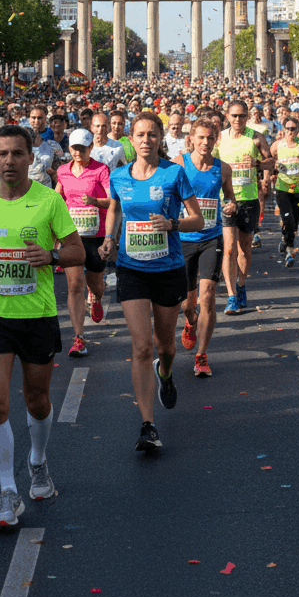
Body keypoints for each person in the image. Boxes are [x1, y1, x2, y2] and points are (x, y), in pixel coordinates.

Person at [0, 125, 84, 527]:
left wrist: (53, 255)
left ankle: (38, 462)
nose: (9, 161)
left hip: (38, 315)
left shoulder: (48, 202)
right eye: (2, 154)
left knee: (37, 401)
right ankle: (8, 491)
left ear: (31, 158)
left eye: (17, 154)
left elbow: (77, 249)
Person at [99, 112, 203, 451]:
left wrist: (172, 225)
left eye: (152, 135)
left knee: (165, 347)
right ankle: (148, 425)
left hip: (168, 268)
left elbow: (197, 219)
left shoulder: (174, 173)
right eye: (140, 134)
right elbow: (114, 209)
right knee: (141, 347)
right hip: (131, 269)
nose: (146, 140)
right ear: (131, 138)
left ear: (160, 139)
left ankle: (167, 372)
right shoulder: (118, 175)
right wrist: (109, 238)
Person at [175, 118, 236, 377]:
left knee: (208, 296)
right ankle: (190, 322)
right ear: (191, 138)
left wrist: (231, 204)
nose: (205, 142)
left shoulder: (223, 169)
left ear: (216, 140)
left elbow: (230, 195)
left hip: (211, 238)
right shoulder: (179, 165)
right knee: (187, 303)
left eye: (210, 138)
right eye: (201, 137)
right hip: (184, 240)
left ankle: (201, 356)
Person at [55, 128, 111, 357]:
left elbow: (111, 202)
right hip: (72, 236)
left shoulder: (101, 169)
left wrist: (95, 200)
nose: (78, 152)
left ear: (90, 148)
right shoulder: (62, 171)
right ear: (69, 149)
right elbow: (57, 197)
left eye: (83, 148)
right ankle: (78, 337)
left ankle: (96, 296)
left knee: (95, 283)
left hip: (96, 235)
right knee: (75, 285)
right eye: (74, 148)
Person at [218, 99, 273, 314]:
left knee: (245, 249)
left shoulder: (256, 137)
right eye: (234, 116)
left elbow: (271, 161)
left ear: (247, 116)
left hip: (249, 200)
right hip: (228, 200)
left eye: (242, 115)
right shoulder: (220, 139)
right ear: (227, 116)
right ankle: (231, 296)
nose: (238, 119)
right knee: (229, 248)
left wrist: (258, 164)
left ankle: (241, 285)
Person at [271, 116, 299, 268]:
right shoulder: (277, 145)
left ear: (298, 130)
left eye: (293, 129)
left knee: (295, 220)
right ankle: (289, 251)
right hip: (283, 187)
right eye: (288, 128)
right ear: (283, 129)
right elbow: (268, 158)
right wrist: (275, 164)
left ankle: (286, 239)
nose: (290, 131)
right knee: (287, 218)